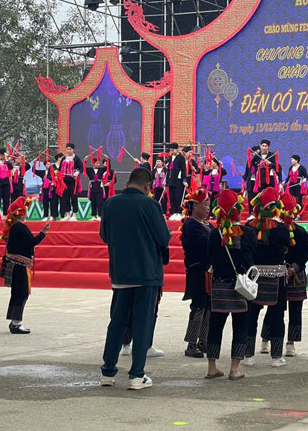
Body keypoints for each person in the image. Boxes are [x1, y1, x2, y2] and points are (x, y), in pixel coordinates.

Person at [99, 168, 172, 389]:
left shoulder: (110, 203)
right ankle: (136, 375)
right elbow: (163, 237)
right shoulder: (150, 205)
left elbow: (104, 235)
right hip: (146, 272)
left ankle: (108, 373)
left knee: (117, 324)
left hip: (120, 271)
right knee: (142, 325)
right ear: (148, 186)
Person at [205, 189, 256, 380]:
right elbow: (252, 257)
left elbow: (209, 258)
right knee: (241, 325)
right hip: (240, 286)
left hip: (219, 283)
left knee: (215, 325)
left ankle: (212, 367)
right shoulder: (249, 233)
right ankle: (234, 369)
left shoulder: (213, 234)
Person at [261, 192, 308, 357]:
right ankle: (267, 339)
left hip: (295, 274)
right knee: (274, 307)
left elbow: (306, 252)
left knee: (290, 308)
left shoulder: (300, 232)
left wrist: (295, 267)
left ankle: (290, 342)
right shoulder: (276, 229)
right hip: (280, 272)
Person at [244, 187, 290, 367]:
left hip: (254, 276)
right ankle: (276, 357)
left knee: (250, 315)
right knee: (277, 315)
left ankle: (248, 355)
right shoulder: (281, 228)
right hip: (276, 276)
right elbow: (287, 246)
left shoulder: (248, 227)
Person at [0, 196, 49, 334]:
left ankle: (14, 321)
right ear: (22, 213)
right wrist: (43, 233)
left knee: (16, 293)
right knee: (22, 293)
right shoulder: (20, 227)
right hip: (20, 266)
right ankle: (17, 322)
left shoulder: (14, 227)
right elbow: (32, 242)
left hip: (15, 265)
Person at [180, 188, 214, 358]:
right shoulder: (190, 225)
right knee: (199, 306)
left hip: (210, 271)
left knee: (209, 306)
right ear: (195, 206)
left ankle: (204, 340)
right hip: (198, 271)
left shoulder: (209, 225)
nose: (208, 208)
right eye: (205, 205)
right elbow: (203, 244)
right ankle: (191, 343)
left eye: (209, 205)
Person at [60, 143, 83, 221]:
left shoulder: (76, 158)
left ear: (73, 150)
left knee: (73, 197)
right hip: (64, 181)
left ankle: (74, 215)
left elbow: (81, 168)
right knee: (65, 198)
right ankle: (68, 215)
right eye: (67, 149)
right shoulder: (63, 158)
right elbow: (60, 169)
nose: (69, 151)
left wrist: (77, 173)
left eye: (70, 149)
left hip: (73, 181)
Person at [86, 156, 113, 221]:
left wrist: (108, 159)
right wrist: (85, 161)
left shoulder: (101, 169)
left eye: (99, 163)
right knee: (93, 202)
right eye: (96, 163)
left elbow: (108, 167)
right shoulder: (89, 170)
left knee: (99, 202)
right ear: (93, 163)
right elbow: (83, 167)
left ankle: (100, 216)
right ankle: (94, 215)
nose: (98, 164)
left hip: (99, 188)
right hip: (92, 187)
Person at [166, 143, 187, 219]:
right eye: (170, 150)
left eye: (173, 150)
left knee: (178, 196)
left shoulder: (181, 158)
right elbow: (168, 170)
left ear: (177, 149)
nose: (171, 151)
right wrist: (167, 180)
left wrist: (184, 180)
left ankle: (179, 212)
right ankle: (173, 212)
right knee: (172, 196)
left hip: (178, 180)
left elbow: (183, 169)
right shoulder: (171, 157)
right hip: (171, 180)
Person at [242, 145, 260, 211]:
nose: (255, 154)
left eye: (257, 152)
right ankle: (251, 212)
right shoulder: (249, 161)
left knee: (257, 197)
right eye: (254, 152)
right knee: (250, 197)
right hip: (250, 181)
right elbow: (247, 172)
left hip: (258, 182)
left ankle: (257, 211)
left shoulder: (260, 161)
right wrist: (244, 178)